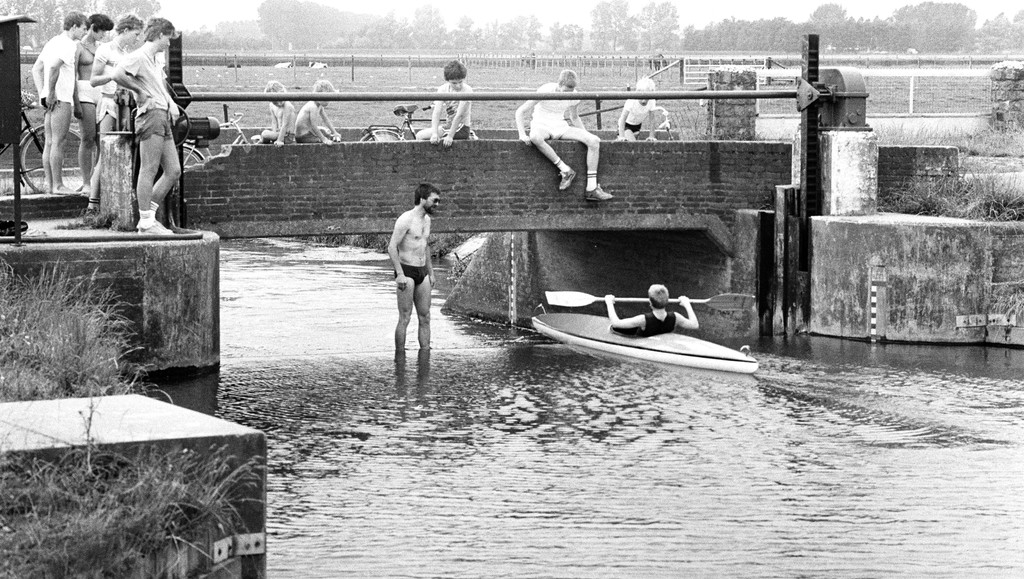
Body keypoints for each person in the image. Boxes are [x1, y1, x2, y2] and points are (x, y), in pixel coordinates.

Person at [110, 17, 181, 235]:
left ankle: (148, 218)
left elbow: (160, 85)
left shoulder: (154, 59)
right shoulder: (139, 56)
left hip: (162, 114)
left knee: (173, 170)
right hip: (150, 115)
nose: (169, 43)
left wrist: (171, 104)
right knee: (148, 169)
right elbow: (117, 74)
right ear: (160, 35)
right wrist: (139, 91)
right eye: (168, 38)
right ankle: (146, 220)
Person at [515, 69, 612, 202]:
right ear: (559, 84)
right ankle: (565, 170)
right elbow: (520, 111)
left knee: (594, 141)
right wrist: (522, 134)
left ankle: (591, 188)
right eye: (565, 92)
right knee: (535, 137)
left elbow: (574, 117)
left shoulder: (574, 96)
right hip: (541, 125)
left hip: (560, 126)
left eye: (570, 93)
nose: (568, 95)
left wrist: (586, 134)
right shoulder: (545, 90)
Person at [87, 13, 144, 213]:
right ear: (125, 30)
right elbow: (94, 79)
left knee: (122, 151)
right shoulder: (105, 49)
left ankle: (113, 203)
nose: (137, 39)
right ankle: (92, 205)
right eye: (135, 34)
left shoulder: (127, 52)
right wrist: (115, 74)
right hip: (109, 103)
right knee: (104, 152)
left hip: (125, 105)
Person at [31, 12, 88, 195]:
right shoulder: (69, 45)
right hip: (61, 98)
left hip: (51, 99)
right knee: (58, 142)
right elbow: (54, 66)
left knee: (49, 142)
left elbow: (36, 69)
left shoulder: (53, 41)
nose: (84, 32)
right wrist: (52, 91)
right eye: (83, 28)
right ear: (74, 27)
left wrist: (44, 93)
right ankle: (58, 185)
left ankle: (51, 185)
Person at [388, 183, 441, 350]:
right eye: (435, 201)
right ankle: (400, 356)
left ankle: (425, 354)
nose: (437, 205)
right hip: (406, 271)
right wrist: (400, 274)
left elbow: (425, 246)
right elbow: (391, 247)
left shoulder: (427, 220)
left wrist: (431, 273)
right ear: (423, 199)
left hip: (422, 271)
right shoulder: (406, 219)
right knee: (405, 317)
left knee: (425, 316)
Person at [75, 13, 114, 198]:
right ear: (92, 28)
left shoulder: (102, 48)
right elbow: (72, 75)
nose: (104, 35)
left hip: (100, 92)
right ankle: (85, 182)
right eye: (102, 31)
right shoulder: (78, 47)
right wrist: (75, 102)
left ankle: (97, 180)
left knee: (102, 140)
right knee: (88, 138)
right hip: (84, 91)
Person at [416, 59, 474, 146]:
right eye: (454, 83)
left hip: (461, 127)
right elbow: (437, 111)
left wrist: (450, 136)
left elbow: (459, 115)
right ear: (448, 81)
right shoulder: (443, 89)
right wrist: (434, 133)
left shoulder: (467, 90)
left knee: (421, 136)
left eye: (460, 82)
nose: (458, 86)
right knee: (421, 136)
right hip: (449, 125)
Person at [604, 284, 699, 337]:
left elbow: (616, 323)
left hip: (644, 346)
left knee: (614, 327)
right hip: (661, 345)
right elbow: (695, 325)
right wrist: (687, 304)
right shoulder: (676, 317)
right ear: (667, 301)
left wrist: (609, 303)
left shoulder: (643, 320)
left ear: (650, 303)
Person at [295, 80, 341, 144]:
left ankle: (332, 137)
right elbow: (314, 126)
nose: (327, 102)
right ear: (318, 95)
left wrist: (334, 132)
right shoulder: (313, 107)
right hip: (303, 136)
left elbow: (325, 119)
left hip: (309, 132)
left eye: (329, 99)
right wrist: (324, 139)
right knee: (323, 141)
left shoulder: (319, 105)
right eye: (325, 99)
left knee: (327, 132)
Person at [254, 81, 297, 146]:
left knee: (265, 133)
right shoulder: (272, 106)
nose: (279, 104)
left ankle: (262, 140)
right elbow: (274, 122)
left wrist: (279, 140)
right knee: (266, 134)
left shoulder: (287, 105)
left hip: (287, 136)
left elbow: (285, 124)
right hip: (279, 132)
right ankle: (263, 141)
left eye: (280, 100)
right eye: (275, 102)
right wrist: (274, 134)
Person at [617, 77, 659, 141]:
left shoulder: (652, 101)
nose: (644, 101)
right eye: (641, 98)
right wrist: (621, 136)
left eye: (647, 98)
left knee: (633, 145)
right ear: (637, 93)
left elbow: (652, 120)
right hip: (625, 125)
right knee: (632, 143)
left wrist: (651, 136)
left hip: (637, 126)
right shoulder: (631, 100)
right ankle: (619, 138)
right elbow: (623, 118)